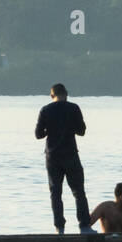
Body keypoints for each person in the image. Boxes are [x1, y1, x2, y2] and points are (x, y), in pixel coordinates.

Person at [35, 82, 93, 234]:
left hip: (52, 157)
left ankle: (59, 229)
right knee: (79, 192)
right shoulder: (74, 108)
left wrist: (51, 129)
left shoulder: (45, 110)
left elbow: (38, 134)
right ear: (66, 94)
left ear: (51, 95)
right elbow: (82, 131)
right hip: (71, 155)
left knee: (56, 193)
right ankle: (84, 227)